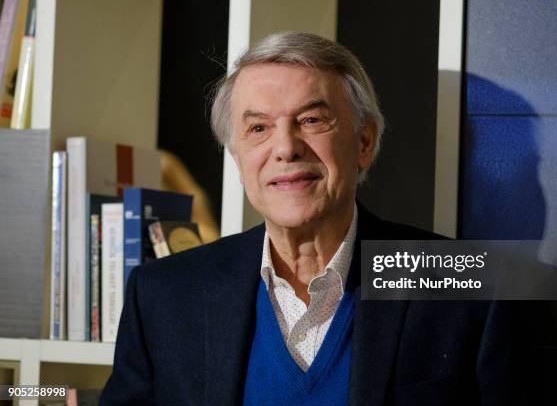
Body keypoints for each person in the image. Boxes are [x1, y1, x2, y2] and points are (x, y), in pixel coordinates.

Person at [100, 32, 517, 405]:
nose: (286, 148)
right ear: (237, 159)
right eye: (259, 129)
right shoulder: (164, 295)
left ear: (365, 143)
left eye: (311, 120)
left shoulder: (467, 284)